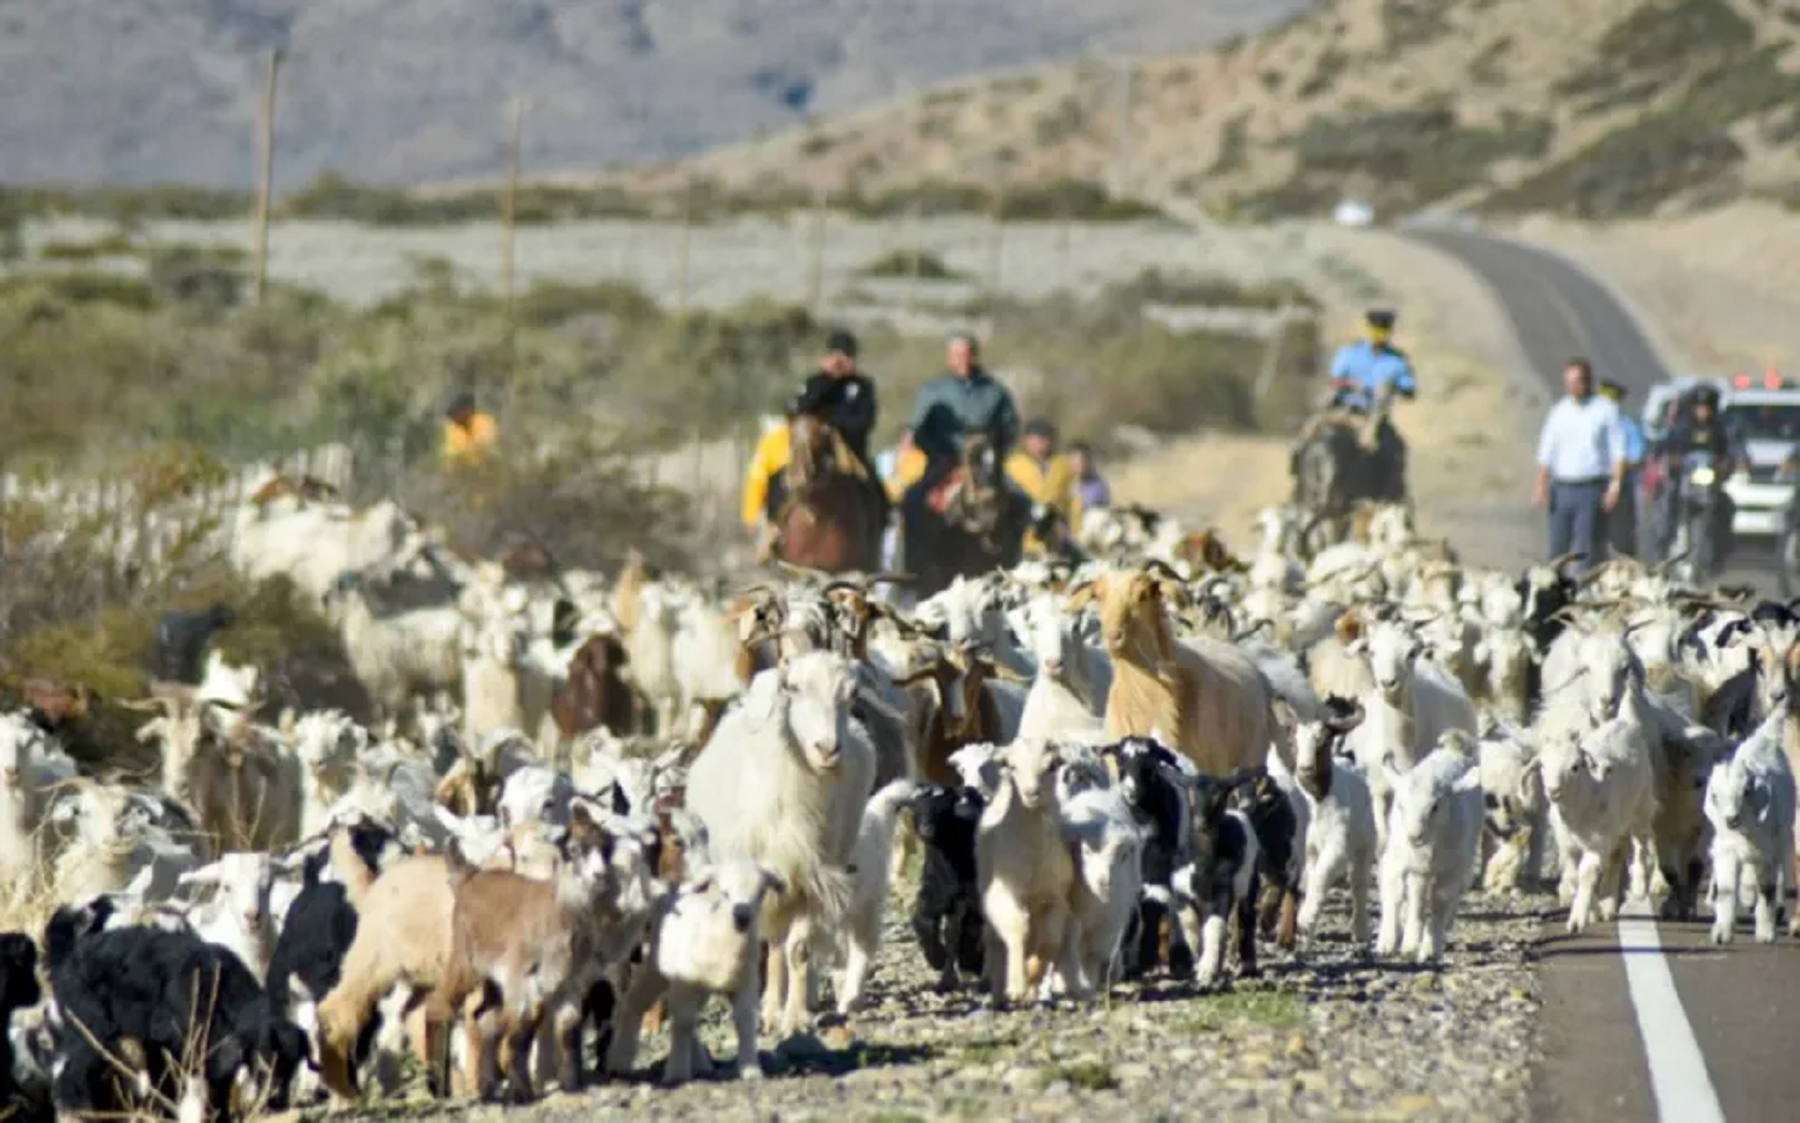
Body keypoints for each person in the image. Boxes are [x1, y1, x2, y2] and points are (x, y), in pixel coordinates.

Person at [901, 332, 1023, 517]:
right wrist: (938, 453)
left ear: (974, 356)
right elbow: (918, 430)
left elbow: (1010, 427)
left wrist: (996, 452)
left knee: (1023, 501)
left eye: (965, 354)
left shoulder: (994, 391)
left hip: (985, 466)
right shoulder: (933, 391)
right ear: (948, 358)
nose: (961, 361)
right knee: (913, 499)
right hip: (944, 464)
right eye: (955, 355)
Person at [1533, 358, 1627, 566]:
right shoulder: (1560, 411)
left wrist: (1615, 486)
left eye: (1578, 381)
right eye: (1569, 382)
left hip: (1591, 488)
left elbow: (1618, 451)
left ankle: (1582, 588)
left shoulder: (1605, 410)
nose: (1573, 386)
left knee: (1585, 546)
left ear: (1588, 381)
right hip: (1562, 487)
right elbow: (1546, 451)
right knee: (1558, 546)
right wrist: (1541, 484)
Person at [790, 328, 888, 527]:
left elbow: (864, 421)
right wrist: (827, 379)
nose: (840, 361)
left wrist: (833, 425)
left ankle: (874, 539)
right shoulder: (815, 382)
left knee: (875, 490)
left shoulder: (862, 386)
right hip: (812, 452)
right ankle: (773, 531)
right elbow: (802, 409)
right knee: (780, 480)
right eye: (836, 355)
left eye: (846, 356)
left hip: (850, 453)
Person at [1324, 309, 1417, 498]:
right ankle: (1323, 489)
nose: (1379, 335)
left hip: (1376, 415)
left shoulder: (1397, 360)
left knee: (1396, 449)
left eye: (1383, 330)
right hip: (1346, 411)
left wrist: (1396, 388)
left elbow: (1409, 389)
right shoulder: (1350, 353)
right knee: (1325, 441)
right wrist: (1352, 384)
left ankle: (1390, 498)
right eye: (1375, 330)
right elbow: (1334, 380)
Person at [1652, 381, 1743, 566]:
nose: (1703, 412)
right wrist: (1670, 459)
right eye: (1700, 407)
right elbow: (1664, 447)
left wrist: (1727, 463)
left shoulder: (1721, 428)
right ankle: (1660, 553)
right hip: (1681, 481)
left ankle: (1720, 552)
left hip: (1709, 485)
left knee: (1727, 508)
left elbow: (1732, 452)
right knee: (1666, 505)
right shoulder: (1681, 427)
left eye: (1707, 407)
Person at [1598, 378, 1646, 558]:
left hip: (1622, 489)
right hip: (1593, 487)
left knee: (1622, 539)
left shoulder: (1628, 425)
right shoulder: (1591, 422)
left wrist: (1617, 468)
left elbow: (1637, 456)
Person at [441, 392, 498, 467]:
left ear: (467, 410)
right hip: (466, 471)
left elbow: (483, 448)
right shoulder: (453, 429)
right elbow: (450, 455)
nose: (453, 418)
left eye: (455, 413)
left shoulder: (485, 422)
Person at [1069, 441, 1111, 511]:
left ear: (1088, 461)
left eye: (1080, 461)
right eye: (1074, 462)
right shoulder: (1070, 484)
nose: (1077, 465)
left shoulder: (1098, 486)